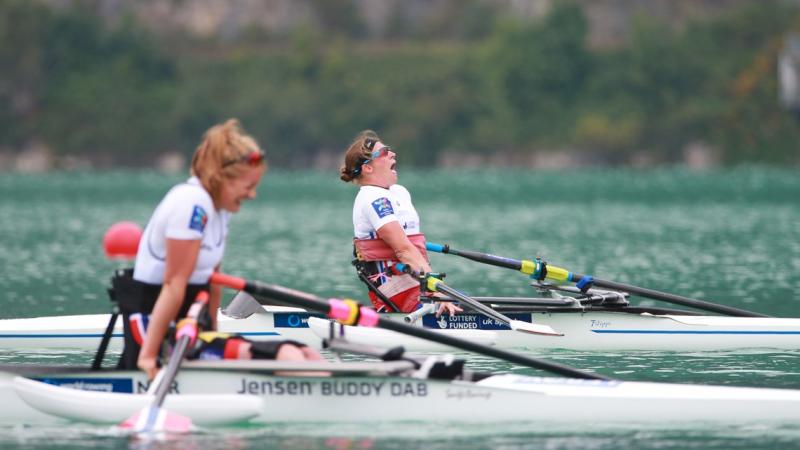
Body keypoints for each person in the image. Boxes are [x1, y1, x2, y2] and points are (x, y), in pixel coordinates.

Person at [116, 119, 323, 379]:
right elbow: (173, 284)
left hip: (190, 327)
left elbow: (212, 280)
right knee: (288, 357)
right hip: (154, 331)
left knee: (306, 353)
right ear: (222, 178)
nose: (252, 195)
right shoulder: (191, 204)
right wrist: (147, 357)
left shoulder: (219, 210)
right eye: (248, 186)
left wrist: (215, 335)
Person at [339, 130, 462, 316]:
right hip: (393, 289)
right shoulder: (373, 197)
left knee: (467, 304)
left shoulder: (399, 192)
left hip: (415, 281)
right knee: (464, 308)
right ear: (368, 168)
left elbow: (410, 246)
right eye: (384, 152)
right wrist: (437, 291)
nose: (392, 154)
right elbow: (404, 250)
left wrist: (435, 289)